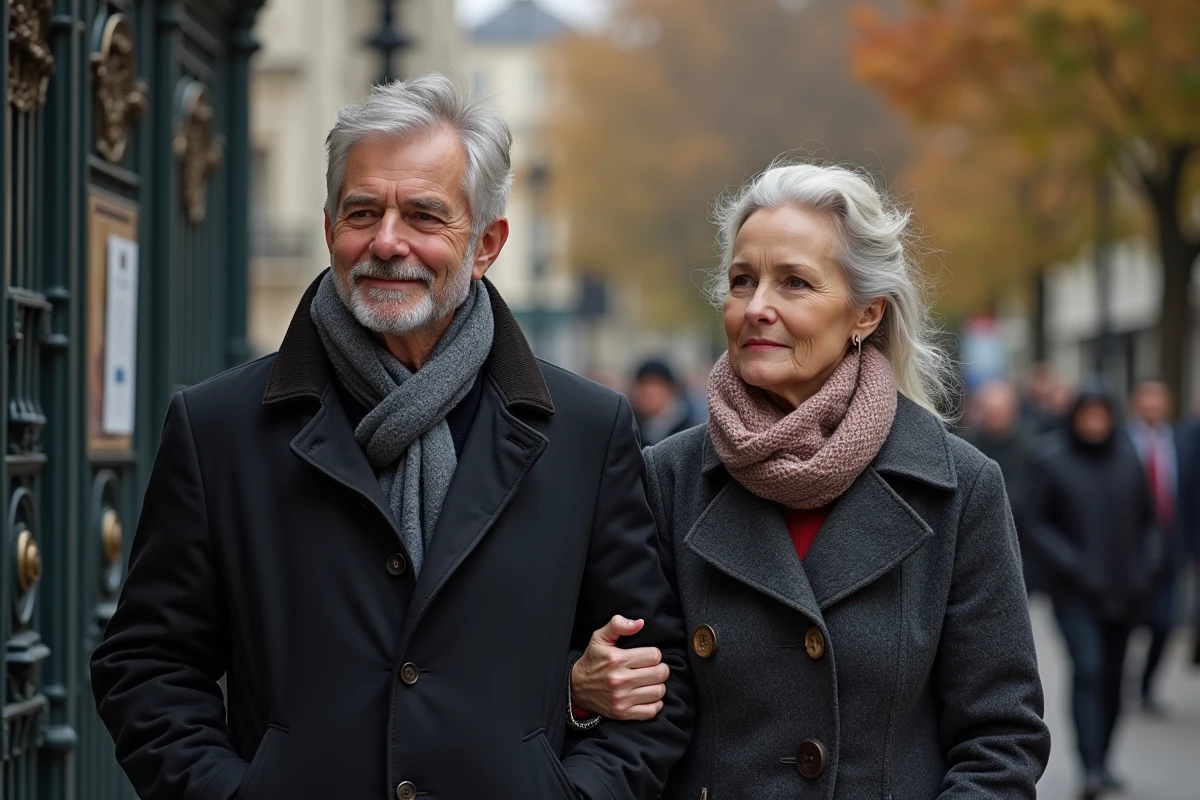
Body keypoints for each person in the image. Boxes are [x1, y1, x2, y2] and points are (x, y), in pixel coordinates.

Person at [90, 75, 693, 800]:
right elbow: (147, 668)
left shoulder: (587, 432)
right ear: (327, 230)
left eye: (424, 216)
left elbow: (657, 681)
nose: (385, 241)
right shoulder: (217, 428)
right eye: (362, 211)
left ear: (486, 244)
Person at [574, 162, 1050, 797]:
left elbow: (1001, 739)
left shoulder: (958, 487)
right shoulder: (667, 478)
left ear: (866, 314)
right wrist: (581, 688)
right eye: (742, 281)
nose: (757, 307)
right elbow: (631, 713)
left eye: (794, 283)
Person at [1026, 382, 1160, 799]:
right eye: (1089, 415)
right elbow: (1035, 522)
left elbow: (1150, 520)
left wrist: (1147, 564)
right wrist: (1072, 563)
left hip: (1126, 592)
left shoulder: (1126, 460)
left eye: (1103, 415)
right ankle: (1090, 767)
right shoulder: (1052, 461)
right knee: (1089, 671)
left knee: (1115, 678)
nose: (1096, 423)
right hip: (1075, 594)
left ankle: (1103, 758)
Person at [1126, 378, 1184, 713]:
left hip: (1169, 547)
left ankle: (1146, 685)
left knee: (1164, 624)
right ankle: (1115, 680)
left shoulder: (1181, 442)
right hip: (1127, 550)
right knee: (1121, 626)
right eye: (1146, 400)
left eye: (1159, 401)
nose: (1152, 407)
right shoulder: (1120, 442)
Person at [963, 379, 1041, 594]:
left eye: (1000, 411)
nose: (996, 417)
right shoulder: (968, 445)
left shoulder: (1031, 445)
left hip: (1025, 539)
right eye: (991, 411)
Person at [630, 358, 700, 445]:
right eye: (643, 386)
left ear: (670, 389)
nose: (649, 393)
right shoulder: (632, 427)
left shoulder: (690, 426)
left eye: (655, 385)